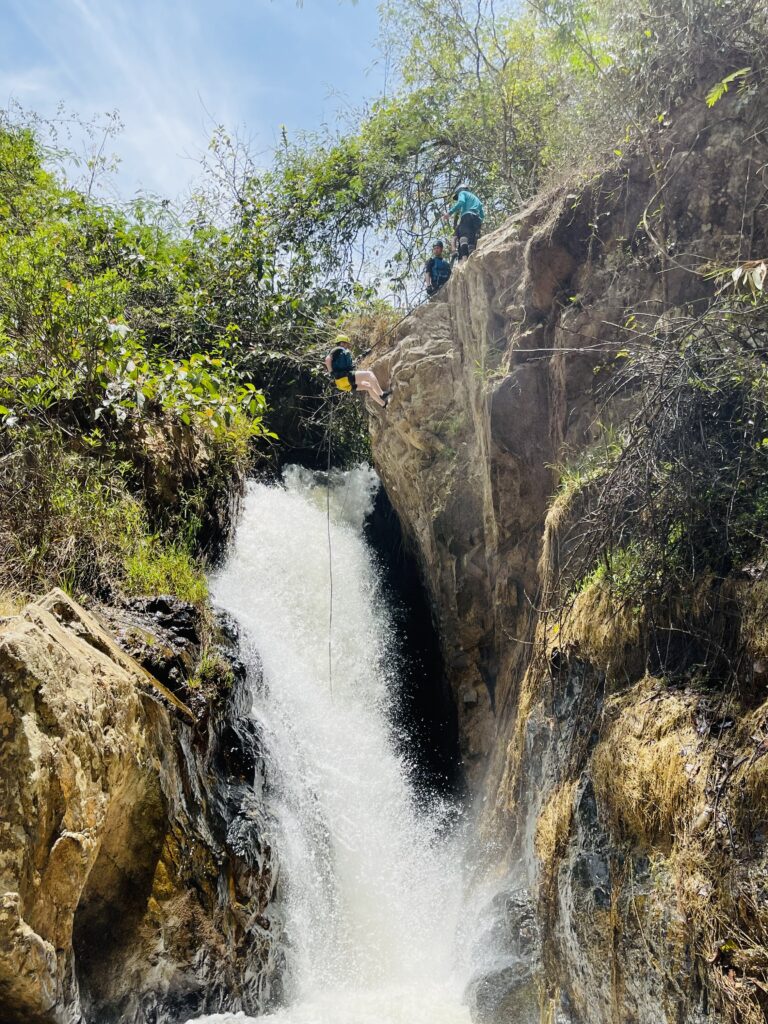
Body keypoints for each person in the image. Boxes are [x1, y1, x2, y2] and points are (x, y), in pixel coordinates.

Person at [325, 342, 392, 409]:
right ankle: (381, 394)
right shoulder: (338, 349)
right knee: (369, 375)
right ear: (342, 343)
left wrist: (364, 354)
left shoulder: (340, 357)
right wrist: (331, 373)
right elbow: (327, 359)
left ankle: (383, 404)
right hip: (344, 377)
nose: (347, 346)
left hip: (341, 385)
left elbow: (352, 364)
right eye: (346, 343)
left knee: (368, 386)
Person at [444, 184, 484, 260]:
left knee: (463, 237)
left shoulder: (462, 193)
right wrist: (479, 222)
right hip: (477, 219)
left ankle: (465, 258)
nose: (458, 196)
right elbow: (482, 214)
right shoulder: (477, 199)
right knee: (471, 239)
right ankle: (472, 254)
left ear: (460, 190)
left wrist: (450, 213)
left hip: (467, 215)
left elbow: (461, 202)